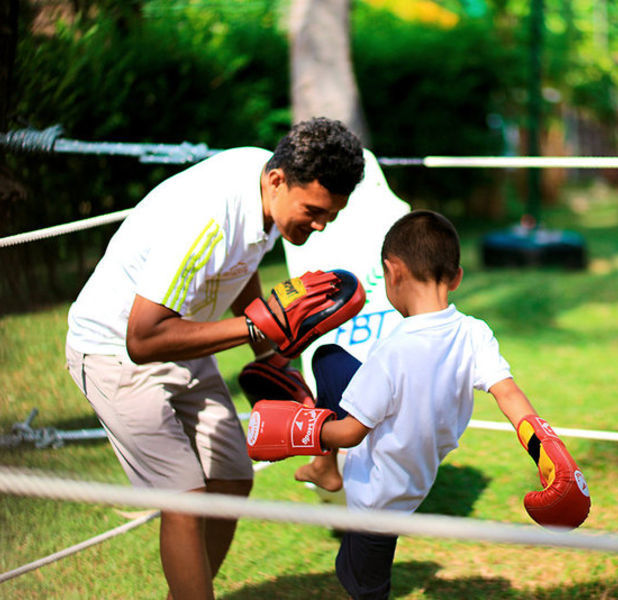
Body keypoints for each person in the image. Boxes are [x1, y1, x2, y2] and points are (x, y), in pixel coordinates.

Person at [64, 116, 365, 600]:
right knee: (183, 500)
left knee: (231, 477)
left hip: (185, 338)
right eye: (313, 210)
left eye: (331, 214)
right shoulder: (208, 217)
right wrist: (255, 326)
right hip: (112, 349)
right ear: (278, 180)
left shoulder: (264, 187)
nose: (320, 224)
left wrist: (271, 355)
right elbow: (140, 340)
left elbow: (237, 268)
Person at [278, 209, 591, 599]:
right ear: (457, 277)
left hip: (376, 493)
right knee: (330, 359)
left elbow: (351, 432)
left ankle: (327, 468)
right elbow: (508, 394)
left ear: (393, 273)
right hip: (412, 470)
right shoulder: (474, 333)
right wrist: (547, 449)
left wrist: (296, 429)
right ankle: (325, 469)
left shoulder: (392, 351)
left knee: (360, 583)